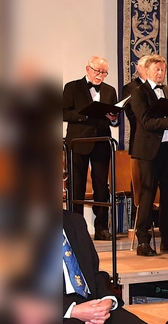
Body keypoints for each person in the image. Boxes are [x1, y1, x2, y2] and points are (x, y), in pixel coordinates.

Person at [129, 55, 168, 256]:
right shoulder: (139, 93)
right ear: (146, 70)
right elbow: (145, 122)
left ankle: (167, 239)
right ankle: (143, 241)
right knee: (147, 194)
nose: (161, 73)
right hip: (149, 151)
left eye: (163, 69)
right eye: (157, 69)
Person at [63, 56, 119, 241]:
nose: (100, 76)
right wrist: (86, 115)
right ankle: (76, 227)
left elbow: (115, 117)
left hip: (102, 142)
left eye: (104, 73)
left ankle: (102, 227)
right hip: (79, 142)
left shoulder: (110, 90)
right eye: (97, 71)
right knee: (77, 186)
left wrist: (113, 118)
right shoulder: (72, 87)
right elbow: (64, 112)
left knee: (102, 186)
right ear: (88, 68)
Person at [63, 210, 145, 324]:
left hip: (91, 302)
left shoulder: (75, 221)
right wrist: (72, 310)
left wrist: (107, 299)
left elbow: (94, 273)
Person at [121, 55, 149, 154]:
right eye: (146, 67)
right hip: (140, 138)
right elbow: (132, 114)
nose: (148, 70)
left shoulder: (161, 88)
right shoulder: (130, 88)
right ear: (138, 68)